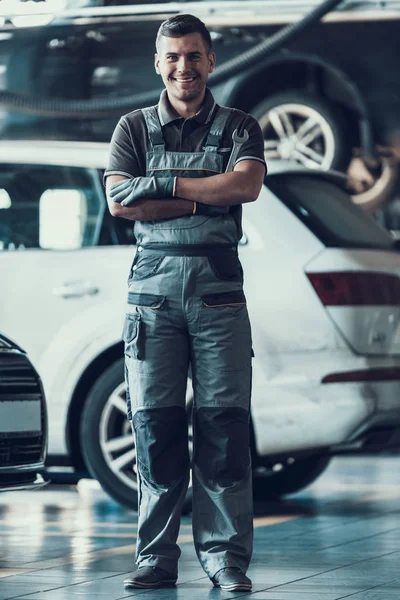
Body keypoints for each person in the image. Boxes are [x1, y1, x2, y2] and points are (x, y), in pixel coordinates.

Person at [104, 13, 266, 593]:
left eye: (193, 56)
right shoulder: (131, 127)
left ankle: (226, 560)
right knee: (155, 428)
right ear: (157, 63)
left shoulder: (242, 126)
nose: (183, 67)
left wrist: (164, 186)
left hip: (219, 295)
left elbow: (244, 187)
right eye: (172, 57)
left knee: (224, 430)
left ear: (211, 61)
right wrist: (204, 196)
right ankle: (156, 557)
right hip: (151, 299)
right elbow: (122, 203)